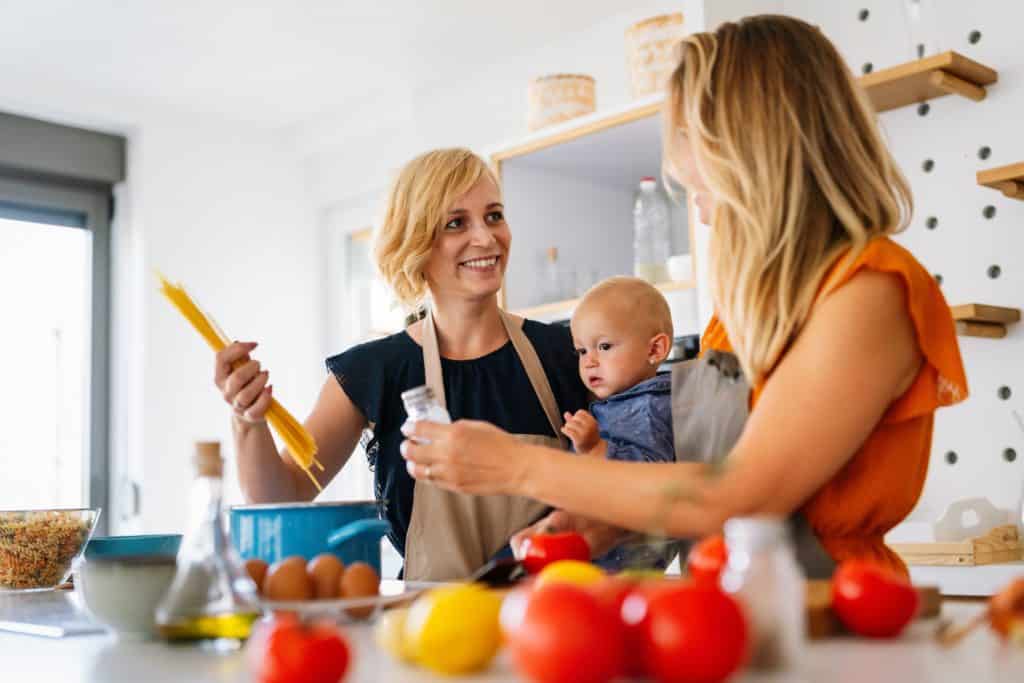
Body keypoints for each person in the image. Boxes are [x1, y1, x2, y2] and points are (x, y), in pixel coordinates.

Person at [400, 14, 968, 576]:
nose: (681, 171)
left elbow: (743, 495)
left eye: (688, 144)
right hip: (723, 614)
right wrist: (600, 524)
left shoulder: (869, 293)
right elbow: (692, 478)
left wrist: (517, 467)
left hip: (830, 621)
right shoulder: (753, 310)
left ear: (748, 143)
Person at [215, 148, 602, 581]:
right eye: (457, 223)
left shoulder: (566, 352)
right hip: (429, 627)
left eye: (494, 216)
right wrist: (247, 420)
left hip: (556, 619)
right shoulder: (375, 371)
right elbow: (281, 496)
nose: (487, 238)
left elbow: (622, 482)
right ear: (416, 243)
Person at [563, 276, 681, 570]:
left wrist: (595, 447)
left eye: (603, 346)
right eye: (582, 351)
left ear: (655, 350)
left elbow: (654, 477)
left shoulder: (650, 407)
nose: (589, 361)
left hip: (625, 559)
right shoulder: (623, 401)